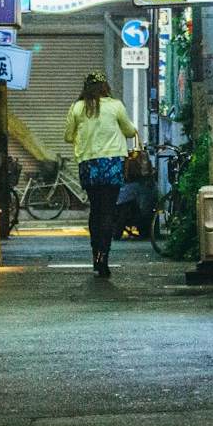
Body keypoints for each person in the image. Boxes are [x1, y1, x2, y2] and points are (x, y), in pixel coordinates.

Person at [64, 71, 137, 276]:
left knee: (95, 210)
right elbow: (130, 131)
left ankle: (95, 254)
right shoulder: (115, 106)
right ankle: (103, 257)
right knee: (108, 210)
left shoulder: (78, 108)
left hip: (89, 164)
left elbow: (68, 136)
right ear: (105, 87)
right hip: (112, 163)